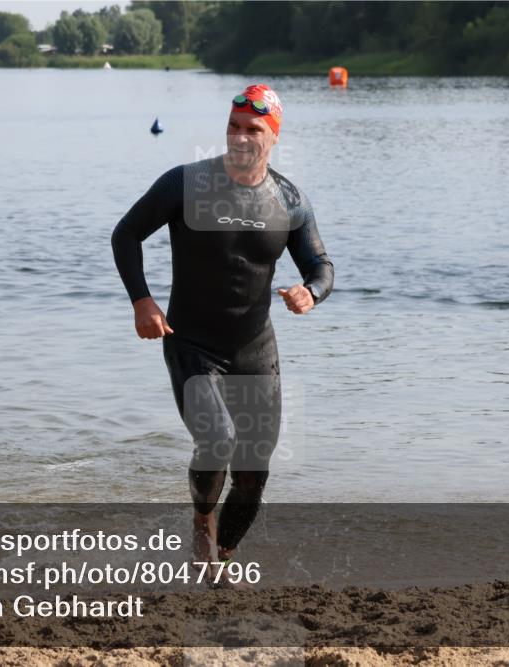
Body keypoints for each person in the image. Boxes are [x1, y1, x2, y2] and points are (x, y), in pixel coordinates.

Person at [111, 84, 334, 584]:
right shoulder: (186, 185)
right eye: (233, 126)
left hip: (255, 350)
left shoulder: (289, 201)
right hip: (191, 343)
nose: (239, 137)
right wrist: (141, 300)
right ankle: (201, 532)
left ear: (273, 136)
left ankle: (221, 561)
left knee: (253, 475)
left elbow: (321, 264)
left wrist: (312, 293)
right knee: (217, 440)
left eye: (252, 129)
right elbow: (126, 233)